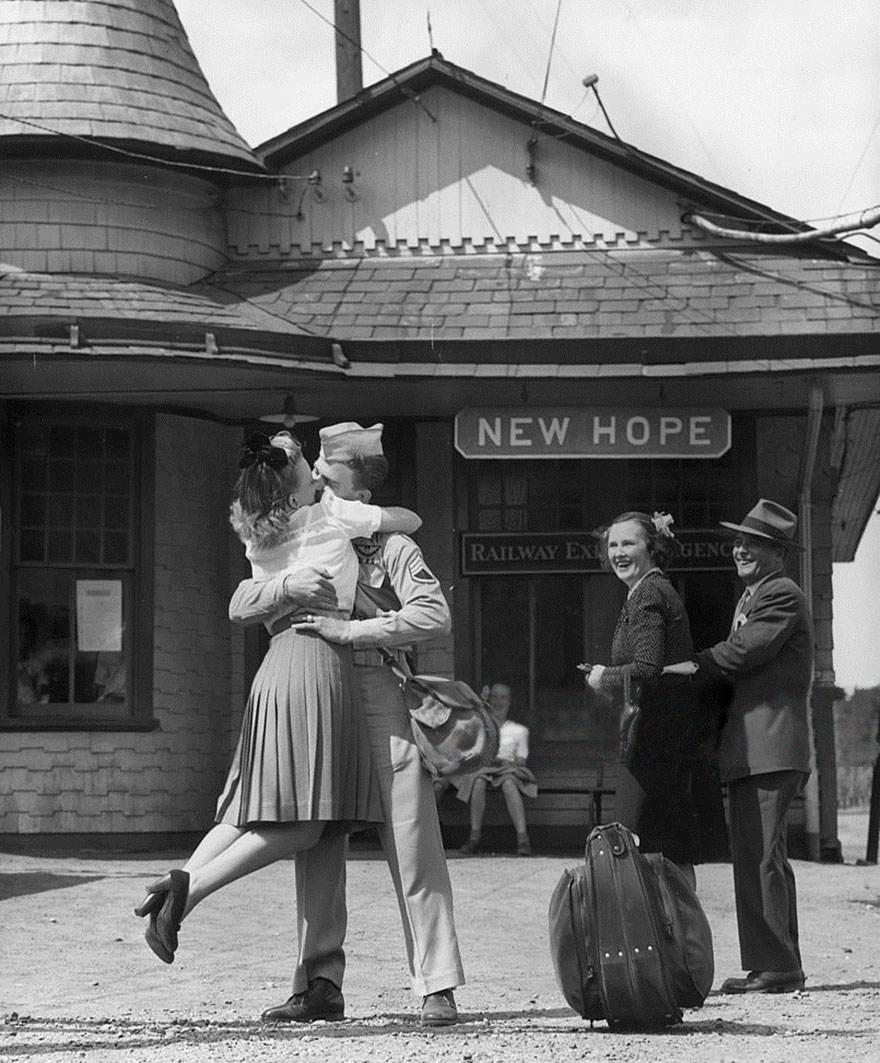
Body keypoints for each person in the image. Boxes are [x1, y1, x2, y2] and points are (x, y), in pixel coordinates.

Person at [134, 430, 421, 965]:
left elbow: (248, 597)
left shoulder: (258, 533)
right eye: (307, 465)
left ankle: (180, 883)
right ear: (296, 487)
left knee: (247, 805)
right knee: (309, 821)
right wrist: (354, 509)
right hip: (318, 663)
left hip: (275, 664)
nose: (317, 471)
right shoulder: (332, 515)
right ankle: (188, 888)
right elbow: (408, 521)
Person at [226, 422, 465, 1027]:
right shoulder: (297, 536)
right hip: (315, 689)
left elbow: (433, 614)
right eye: (316, 478)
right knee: (319, 833)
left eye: (328, 477)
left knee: (411, 834)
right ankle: (318, 982)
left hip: (377, 689)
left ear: (359, 485)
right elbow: (250, 599)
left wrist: (354, 629)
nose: (317, 487)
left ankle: (436, 984)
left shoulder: (391, 546)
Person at [665, 499, 812, 994]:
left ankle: (779, 966)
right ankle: (773, 962)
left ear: (779, 552)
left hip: (770, 745)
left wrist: (693, 665)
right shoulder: (754, 595)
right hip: (755, 748)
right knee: (756, 854)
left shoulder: (780, 594)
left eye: (755, 543)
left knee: (761, 856)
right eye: (738, 541)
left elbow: (745, 652)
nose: (740, 549)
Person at [580, 511, 715, 890]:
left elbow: (647, 666)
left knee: (651, 840)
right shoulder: (644, 591)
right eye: (612, 545)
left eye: (629, 543)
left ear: (652, 547)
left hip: (657, 735)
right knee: (667, 842)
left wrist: (601, 676)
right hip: (661, 730)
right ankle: (676, 937)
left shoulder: (650, 592)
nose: (618, 552)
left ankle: (668, 935)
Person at [455, 681, 537, 856]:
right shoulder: (480, 726)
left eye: (503, 697)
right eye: (494, 697)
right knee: (477, 782)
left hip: (508, 771)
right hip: (484, 770)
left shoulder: (519, 730)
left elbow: (521, 761)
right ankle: (474, 838)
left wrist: (504, 763)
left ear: (510, 701)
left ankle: (523, 839)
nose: (498, 701)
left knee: (508, 784)